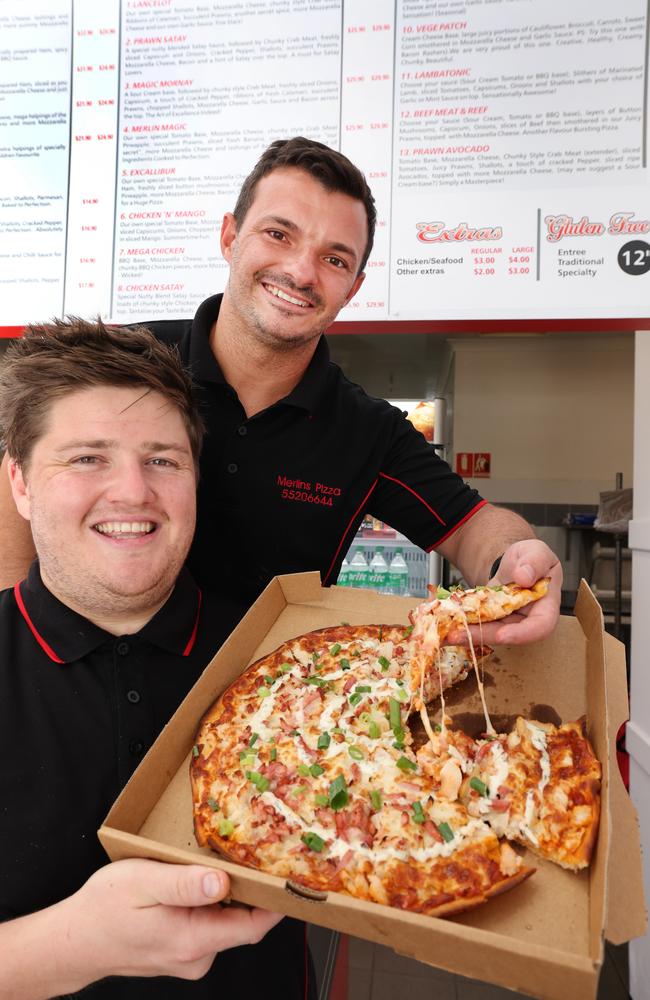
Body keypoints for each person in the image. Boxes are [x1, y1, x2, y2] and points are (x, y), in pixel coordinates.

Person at [0, 136, 562, 645]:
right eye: (278, 234)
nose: (301, 271)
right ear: (230, 236)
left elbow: (475, 530)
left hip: (265, 717)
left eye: (334, 258)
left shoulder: (367, 430)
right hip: (72, 686)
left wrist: (518, 560)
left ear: (354, 287)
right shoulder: (122, 363)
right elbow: (20, 472)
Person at [0, 318, 313, 999]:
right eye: (87, 457)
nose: (134, 492)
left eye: (163, 460)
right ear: (21, 484)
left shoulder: (289, 663)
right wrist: (75, 945)